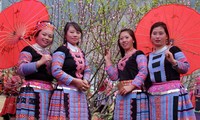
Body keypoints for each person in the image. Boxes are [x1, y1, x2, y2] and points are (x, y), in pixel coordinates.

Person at [145, 21, 196, 120]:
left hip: (172, 94)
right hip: (153, 97)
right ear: (150, 37)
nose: (157, 36)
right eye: (154, 33)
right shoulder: (148, 57)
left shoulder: (174, 50)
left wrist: (173, 61)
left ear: (167, 37)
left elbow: (186, 67)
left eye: (161, 33)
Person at [48, 22, 91, 119]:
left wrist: (85, 81)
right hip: (64, 92)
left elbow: (87, 69)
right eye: (72, 32)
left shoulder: (81, 52)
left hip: (79, 93)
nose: (75, 35)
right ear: (65, 34)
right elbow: (56, 71)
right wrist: (75, 81)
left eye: (78, 32)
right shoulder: (61, 50)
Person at [105, 28, 149, 120]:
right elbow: (114, 76)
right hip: (122, 95)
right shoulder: (122, 60)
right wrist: (108, 60)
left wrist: (131, 86)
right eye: (121, 38)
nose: (124, 40)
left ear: (133, 40)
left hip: (135, 94)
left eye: (126, 37)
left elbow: (143, 71)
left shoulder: (139, 54)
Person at [16, 21, 55, 120]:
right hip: (31, 91)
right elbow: (21, 69)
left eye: (50, 36)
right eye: (44, 34)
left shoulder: (50, 54)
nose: (47, 38)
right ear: (36, 35)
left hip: (48, 92)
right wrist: (40, 62)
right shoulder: (28, 50)